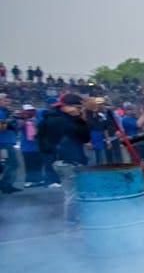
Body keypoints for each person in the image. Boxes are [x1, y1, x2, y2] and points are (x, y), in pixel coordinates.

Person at [36, 93, 90, 221]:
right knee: (73, 193)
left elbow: (84, 138)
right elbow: (84, 137)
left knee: (74, 192)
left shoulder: (52, 119)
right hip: (67, 161)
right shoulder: (60, 120)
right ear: (66, 106)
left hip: (66, 159)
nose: (79, 110)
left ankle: (75, 220)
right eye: (78, 107)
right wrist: (59, 149)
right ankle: (72, 222)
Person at [0, 93, 21, 193]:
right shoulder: (1, 112)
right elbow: (1, 127)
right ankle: (5, 184)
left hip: (8, 141)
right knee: (11, 163)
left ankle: (6, 184)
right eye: (5, 100)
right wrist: (9, 121)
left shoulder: (5, 111)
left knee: (10, 163)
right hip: (4, 142)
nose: (7, 102)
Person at [19, 104, 43, 187]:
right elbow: (19, 127)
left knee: (38, 163)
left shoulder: (37, 120)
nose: (29, 112)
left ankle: (38, 179)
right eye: (27, 111)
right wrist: (24, 119)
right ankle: (29, 180)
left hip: (37, 146)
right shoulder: (21, 121)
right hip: (26, 147)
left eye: (31, 110)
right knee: (29, 164)